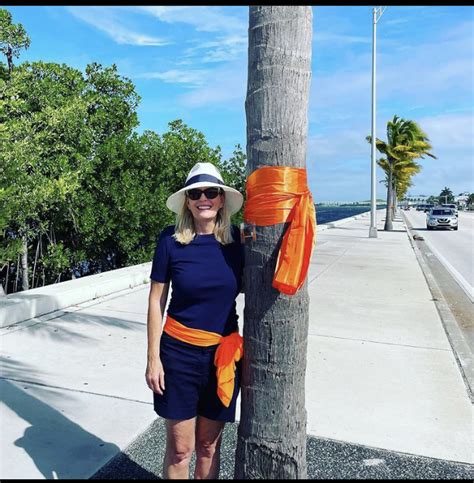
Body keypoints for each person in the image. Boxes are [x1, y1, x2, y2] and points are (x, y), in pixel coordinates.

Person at [145, 162, 244, 479]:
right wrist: (153, 359)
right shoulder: (170, 241)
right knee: (180, 450)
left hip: (223, 358)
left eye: (211, 192)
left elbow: (277, 241)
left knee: (208, 447)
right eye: (196, 193)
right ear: (187, 201)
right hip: (178, 357)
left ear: (221, 199)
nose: (204, 198)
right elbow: (156, 300)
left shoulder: (239, 242)